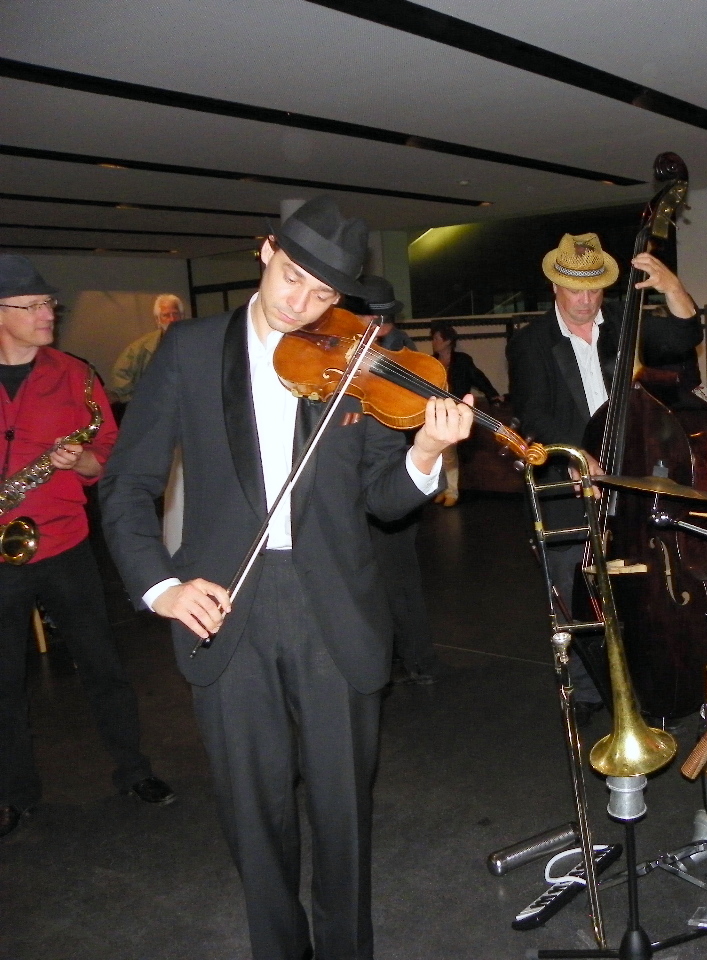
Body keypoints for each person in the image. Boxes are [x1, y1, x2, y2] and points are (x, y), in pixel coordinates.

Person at [99, 197, 473, 960]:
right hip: (223, 606)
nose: (302, 304)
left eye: (324, 293)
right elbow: (126, 483)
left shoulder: (359, 359)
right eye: (294, 278)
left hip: (335, 608)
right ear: (267, 251)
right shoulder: (190, 350)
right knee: (253, 813)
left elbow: (383, 500)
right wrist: (161, 586)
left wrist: (426, 455)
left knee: (343, 813)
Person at [0, 254, 174, 842]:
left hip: (65, 544)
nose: (48, 313)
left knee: (102, 665)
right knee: (4, 682)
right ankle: (14, 793)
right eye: (33, 305)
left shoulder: (75, 375)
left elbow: (110, 456)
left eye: (49, 303)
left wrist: (83, 462)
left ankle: (133, 769)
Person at [506, 232, 702, 716]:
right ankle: (586, 691)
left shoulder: (622, 323)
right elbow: (534, 413)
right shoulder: (530, 342)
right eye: (576, 289)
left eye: (595, 289)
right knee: (573, 594)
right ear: (555, 286)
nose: (586, 299)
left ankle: (643, 682)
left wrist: (672, 287)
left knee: (639, 592)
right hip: (568, 485)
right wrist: (578, 456)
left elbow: (684, 337)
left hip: (630, 481)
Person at [352, 275, 441, 685]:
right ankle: (383, 656)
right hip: (354, 481)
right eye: (369, 320)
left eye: (383, 323)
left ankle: (419, 660)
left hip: (394, 476)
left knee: (399, 577)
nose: (376, 329)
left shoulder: (402, 355)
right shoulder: (345, 350)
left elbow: (411, 417)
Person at [429, 322, 501, 507]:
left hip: (457, 410)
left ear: (448, 341)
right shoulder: (432, 361)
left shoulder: (461, 360)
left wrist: (492, 394)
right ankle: (443, 488)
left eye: (437, 338)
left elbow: (477, 377)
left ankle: (451, 490)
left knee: (448, 451)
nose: (434, 342)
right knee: (438, 452)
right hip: (438, 410)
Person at [110, 293, 184, 403]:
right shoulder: (141, 347)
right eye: (166, 315)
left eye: (175, 314)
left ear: (182, 316)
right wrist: (137, 399)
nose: (172, 319)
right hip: (157, 404)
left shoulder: (195, 342)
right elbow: (120, 374)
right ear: (157, 320)